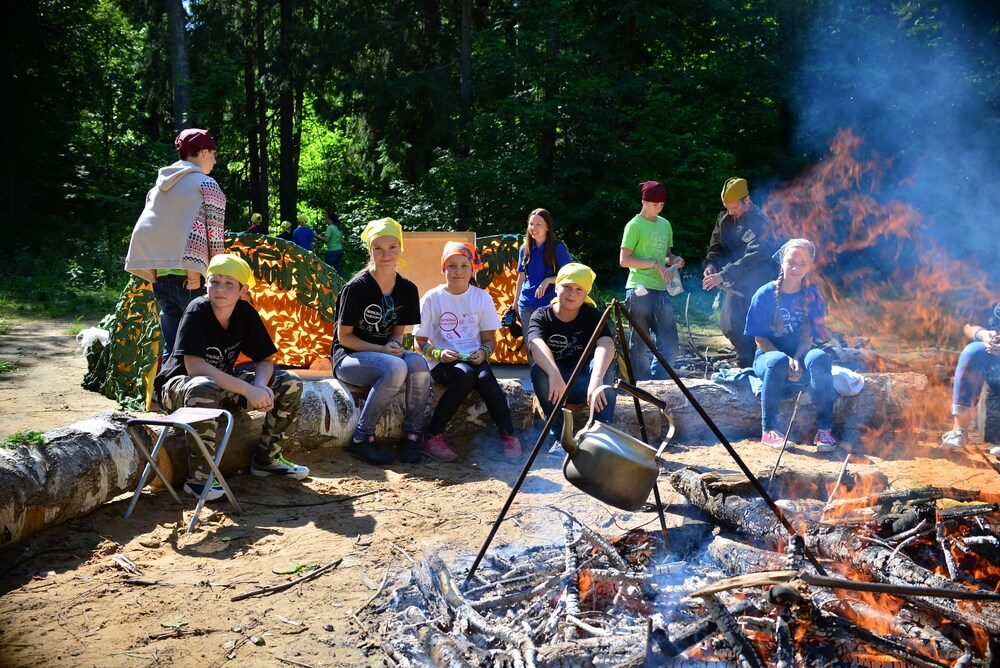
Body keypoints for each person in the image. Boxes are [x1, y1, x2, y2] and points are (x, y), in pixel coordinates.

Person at [153, 254, 309, 500]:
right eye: (214, 281)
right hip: (180, 388)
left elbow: (265, 359)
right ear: (205, 284)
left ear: (243, 290)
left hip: (220, 385)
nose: (220, 289)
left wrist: (260, 386)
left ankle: (266, 459)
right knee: (203, 387)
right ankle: (199, 479)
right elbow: (194, 367)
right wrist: (247, 391)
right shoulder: (197, 309)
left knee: (289, 382)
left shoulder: (245, 312)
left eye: (229, 284)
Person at [331, 218, 430, 465]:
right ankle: (361, 438)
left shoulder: (407, 289)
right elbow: (344, 338)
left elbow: (397, 332)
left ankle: (412, 434)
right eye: (378, 248)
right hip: (349, 357)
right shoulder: (356, 287)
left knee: (418, 363)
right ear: (370, 250)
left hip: (384, 354)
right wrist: (382, 350)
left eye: (392, 247)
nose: (385, 254)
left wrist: (394, 345)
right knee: (396, 367)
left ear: (401, 249)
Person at [125, 128, 226, 363]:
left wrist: (152, 274)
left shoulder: (158, 188)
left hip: (161, 278)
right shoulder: (206, 185)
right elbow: (215, 234)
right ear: (202, 152)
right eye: (213, 153)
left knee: (173, 346)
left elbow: (147, 229)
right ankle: (199, 394)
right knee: (202, 347)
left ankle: (166, 391)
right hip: (194, 279)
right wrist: (219, 276)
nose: (215, 159)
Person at [414, 242, 522, 461]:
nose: (458, 271)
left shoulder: (481, 298)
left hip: (473, 357)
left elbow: (490, 340)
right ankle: (432, 435)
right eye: (452, 266)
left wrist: (483, 352)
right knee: (466, 375)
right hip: (441, 362)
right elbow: (419, 342)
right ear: (442, 269)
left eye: (464, 265)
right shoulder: (431, 298)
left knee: (485, 377)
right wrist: (437, 353)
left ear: (472, 269)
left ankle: (508, 435)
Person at [744, 239, 837, 452]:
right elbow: (759, 339)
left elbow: (807, 337)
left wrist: (796, 358)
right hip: (767, 358)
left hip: (798, 356)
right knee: (776, 360)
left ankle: (824, 430)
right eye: (791, 261)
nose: (796, 268)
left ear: (810, 266)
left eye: (803, 263)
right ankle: (769, 430)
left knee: (820, 358)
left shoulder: (813, 296)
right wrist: (785, 360)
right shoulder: (765, 294)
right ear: (782, 262)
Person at [527, 263, 617, 453]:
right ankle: (560, 436)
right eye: (567, 286)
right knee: (538, 371)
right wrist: (554, 374)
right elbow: (536, 345)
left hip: (586, 385)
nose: (571, 293)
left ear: (586, 295)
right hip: (556, 388)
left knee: (606, 365)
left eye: (579, 289)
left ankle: (602, 433)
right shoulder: (541, 316)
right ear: (556, 287)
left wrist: (597, 378)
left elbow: (607, 344)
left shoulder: (591, 315)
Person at [702, 177, 778, 368]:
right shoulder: (725, 218)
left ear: (747, 200)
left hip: (758, 283)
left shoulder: (762, 223)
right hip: (733, 282)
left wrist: (724, 274)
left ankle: (759, 365)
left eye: (734, 207)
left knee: (759, 328)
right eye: (727, 207)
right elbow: (716, 246)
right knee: (730, 326)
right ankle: (746, 364)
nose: (730, 212)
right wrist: (711, 264)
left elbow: (753, 256)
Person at [619, 180, 685, 380]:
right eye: (655, 204)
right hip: (639, 289)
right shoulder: (634, 226)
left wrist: (675, 260)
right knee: (639, 343)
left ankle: (659, 384)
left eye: (662, 205)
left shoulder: (665, 225)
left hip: (661, 289)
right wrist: (654, 265)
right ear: (644, 201)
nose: (658, 208)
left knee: (671, 344)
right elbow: (624, 260)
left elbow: (666, 255)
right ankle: (643, 388)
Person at [940, 304, 1000, 453]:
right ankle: (959, 431)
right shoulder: (989, 288)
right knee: (973, 351)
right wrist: (984, 334)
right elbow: (969, 326)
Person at [511, 208, 572, 349]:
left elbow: (569, 275)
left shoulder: (558, 248)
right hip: (525, 305)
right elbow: (521, 278)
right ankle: (535, 372)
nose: (533, 228)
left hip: (549, 304)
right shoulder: (524, 249)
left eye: (539, 224)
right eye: (531, 224)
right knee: (532, 346)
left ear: (548, 227)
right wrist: (514, 304)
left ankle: (553, 372)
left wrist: (548, 280)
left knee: (552, 345)